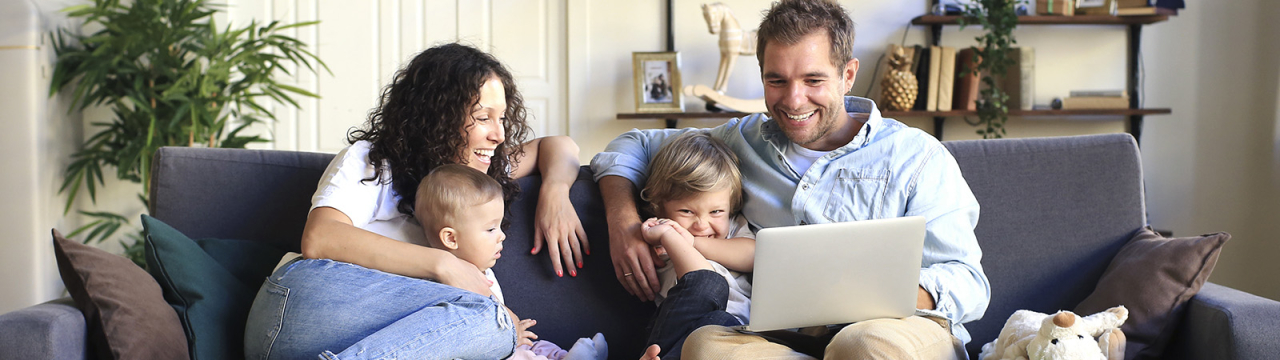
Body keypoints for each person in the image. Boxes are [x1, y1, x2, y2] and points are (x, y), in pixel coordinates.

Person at [590, 0, 989, 358]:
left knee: (864, 344)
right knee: (706, 346)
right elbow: (633, 145)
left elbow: (969, 282)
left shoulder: (917, 156)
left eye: (813, 80)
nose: (793, 101)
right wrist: (623, 222)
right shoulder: (740, 140)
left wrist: (876, 291)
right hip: (774, 337)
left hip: (894, 327)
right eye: (776, 80)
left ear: (848, 75)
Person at [243, 43, 587, 360]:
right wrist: (445, 265)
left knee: (491, 330)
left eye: (501, 118)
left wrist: (555, 194)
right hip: (297, 308)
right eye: (483, 118)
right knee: (493, 322)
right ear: (439, 116)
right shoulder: (374, 160)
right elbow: (321, 238)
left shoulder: (477, 176)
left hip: (357, 344)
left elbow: (558, 145)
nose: (499, 134)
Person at [412, 165, 608, 360]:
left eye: (500, 227)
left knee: (538, 346)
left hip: (503, 346)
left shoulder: (483, 271)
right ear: (451, 239)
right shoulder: (444, 284)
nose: (502, 236)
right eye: (490, 229)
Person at [637, 132, 756, 360]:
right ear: (659, 207)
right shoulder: (660, 237)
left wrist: (691, 241)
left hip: (735, 331)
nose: (702, 224)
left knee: (721, 321)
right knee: (709, 290)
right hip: (680, 331)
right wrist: (671, 237)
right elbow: (700, 281)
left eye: (716, 212)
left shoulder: (732, 228)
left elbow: (754, 255)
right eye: (687, 211)